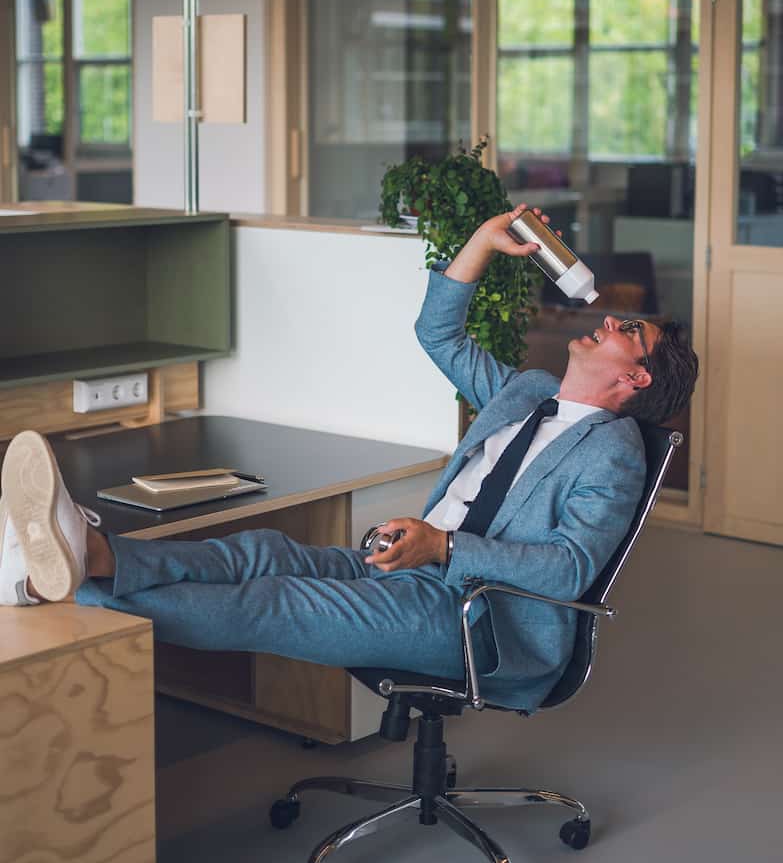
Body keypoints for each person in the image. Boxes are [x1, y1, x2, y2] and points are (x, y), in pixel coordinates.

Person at [0, 204, 699, 712]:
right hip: (407, 565)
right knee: (258, 551)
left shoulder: (613, 452)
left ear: (635, 377)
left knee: (275, 600)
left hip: (476, 615)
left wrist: (443, 546)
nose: (610, 319)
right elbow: (438, 333)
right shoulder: (526, 392)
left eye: (629, 330)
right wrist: (483, 242)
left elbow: (567, 568)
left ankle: (70, 577)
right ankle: (89, 555)